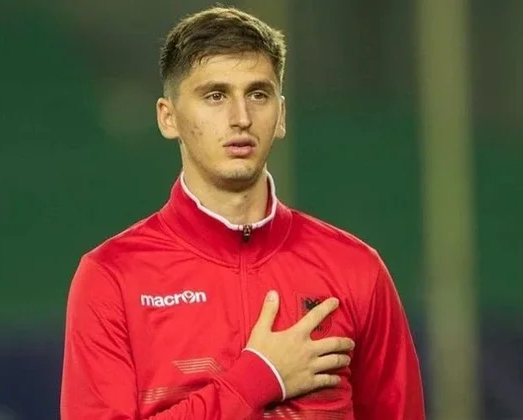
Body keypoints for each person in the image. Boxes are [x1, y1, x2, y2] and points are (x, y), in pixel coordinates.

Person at [60, 6, 425, 420]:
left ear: (281, 115)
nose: (241, 118)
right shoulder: (111, 278)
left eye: (258, 94)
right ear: (168, 117)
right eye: (215, 96)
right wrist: (259, 377)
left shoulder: (355, 269)